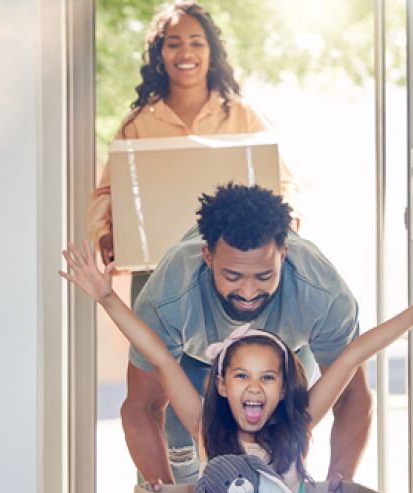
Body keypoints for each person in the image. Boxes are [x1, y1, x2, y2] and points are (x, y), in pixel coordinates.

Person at [59, 241, 413, 493]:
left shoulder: (298, 423)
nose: (254, 388)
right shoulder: (204, 426)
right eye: (241, 376)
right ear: (220, 385)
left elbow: (355, 353)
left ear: (284, 388)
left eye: (268, 377)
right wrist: (107, 298)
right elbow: (161, 356)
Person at [108, 183, 384, 491]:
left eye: (264, 276)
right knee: (183, 459)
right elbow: (141, 406)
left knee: (281, 462)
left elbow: (352, 395)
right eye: (233, 276)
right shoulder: (170, 297)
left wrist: (338, 483)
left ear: (284, 254)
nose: (249, 293)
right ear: (208, 258)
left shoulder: (322, 294)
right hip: (193, 358)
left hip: (287, 353)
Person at [87, 0, 301, 282]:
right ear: (160, 53)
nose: (185, 52)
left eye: (196, 43)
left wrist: (283, 229)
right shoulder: (137, 123)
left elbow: (283, 184)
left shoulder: (241, 115)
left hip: (231, 271)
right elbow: (106, 193)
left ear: (211, 52)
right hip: (157, 272)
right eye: (174, 43)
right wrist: (105, 234)